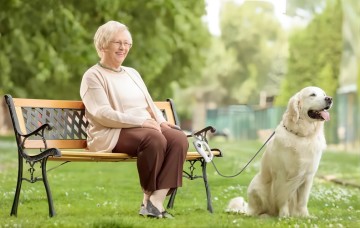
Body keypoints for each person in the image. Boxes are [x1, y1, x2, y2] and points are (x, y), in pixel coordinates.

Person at [80, 20, 189, 219]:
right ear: (103, 44)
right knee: (154, 139)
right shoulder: (93, 76)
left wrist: (161, 121)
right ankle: (148, 201)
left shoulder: (132, 73)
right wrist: (140, 122)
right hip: (111, 132)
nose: (123, 48)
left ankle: (155, 201)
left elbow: (149, 103)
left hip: (145, 127)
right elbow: (102, 114)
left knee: (178, 139)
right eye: (118, 43)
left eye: (127, 43)